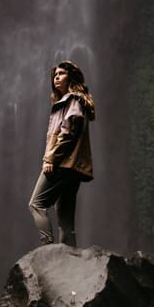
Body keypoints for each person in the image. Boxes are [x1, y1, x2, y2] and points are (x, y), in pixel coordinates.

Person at [29, 59, 95, 248]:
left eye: (61, 74)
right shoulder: (72, 101)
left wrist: (50, 158)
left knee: (36, 204)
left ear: (71, 76)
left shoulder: (73, 100)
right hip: (72, 169)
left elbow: (66, 133)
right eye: (55, 75)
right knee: (65, 220)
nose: (56, 77)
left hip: (62, 164)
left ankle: (47, 248)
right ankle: (71, 259)